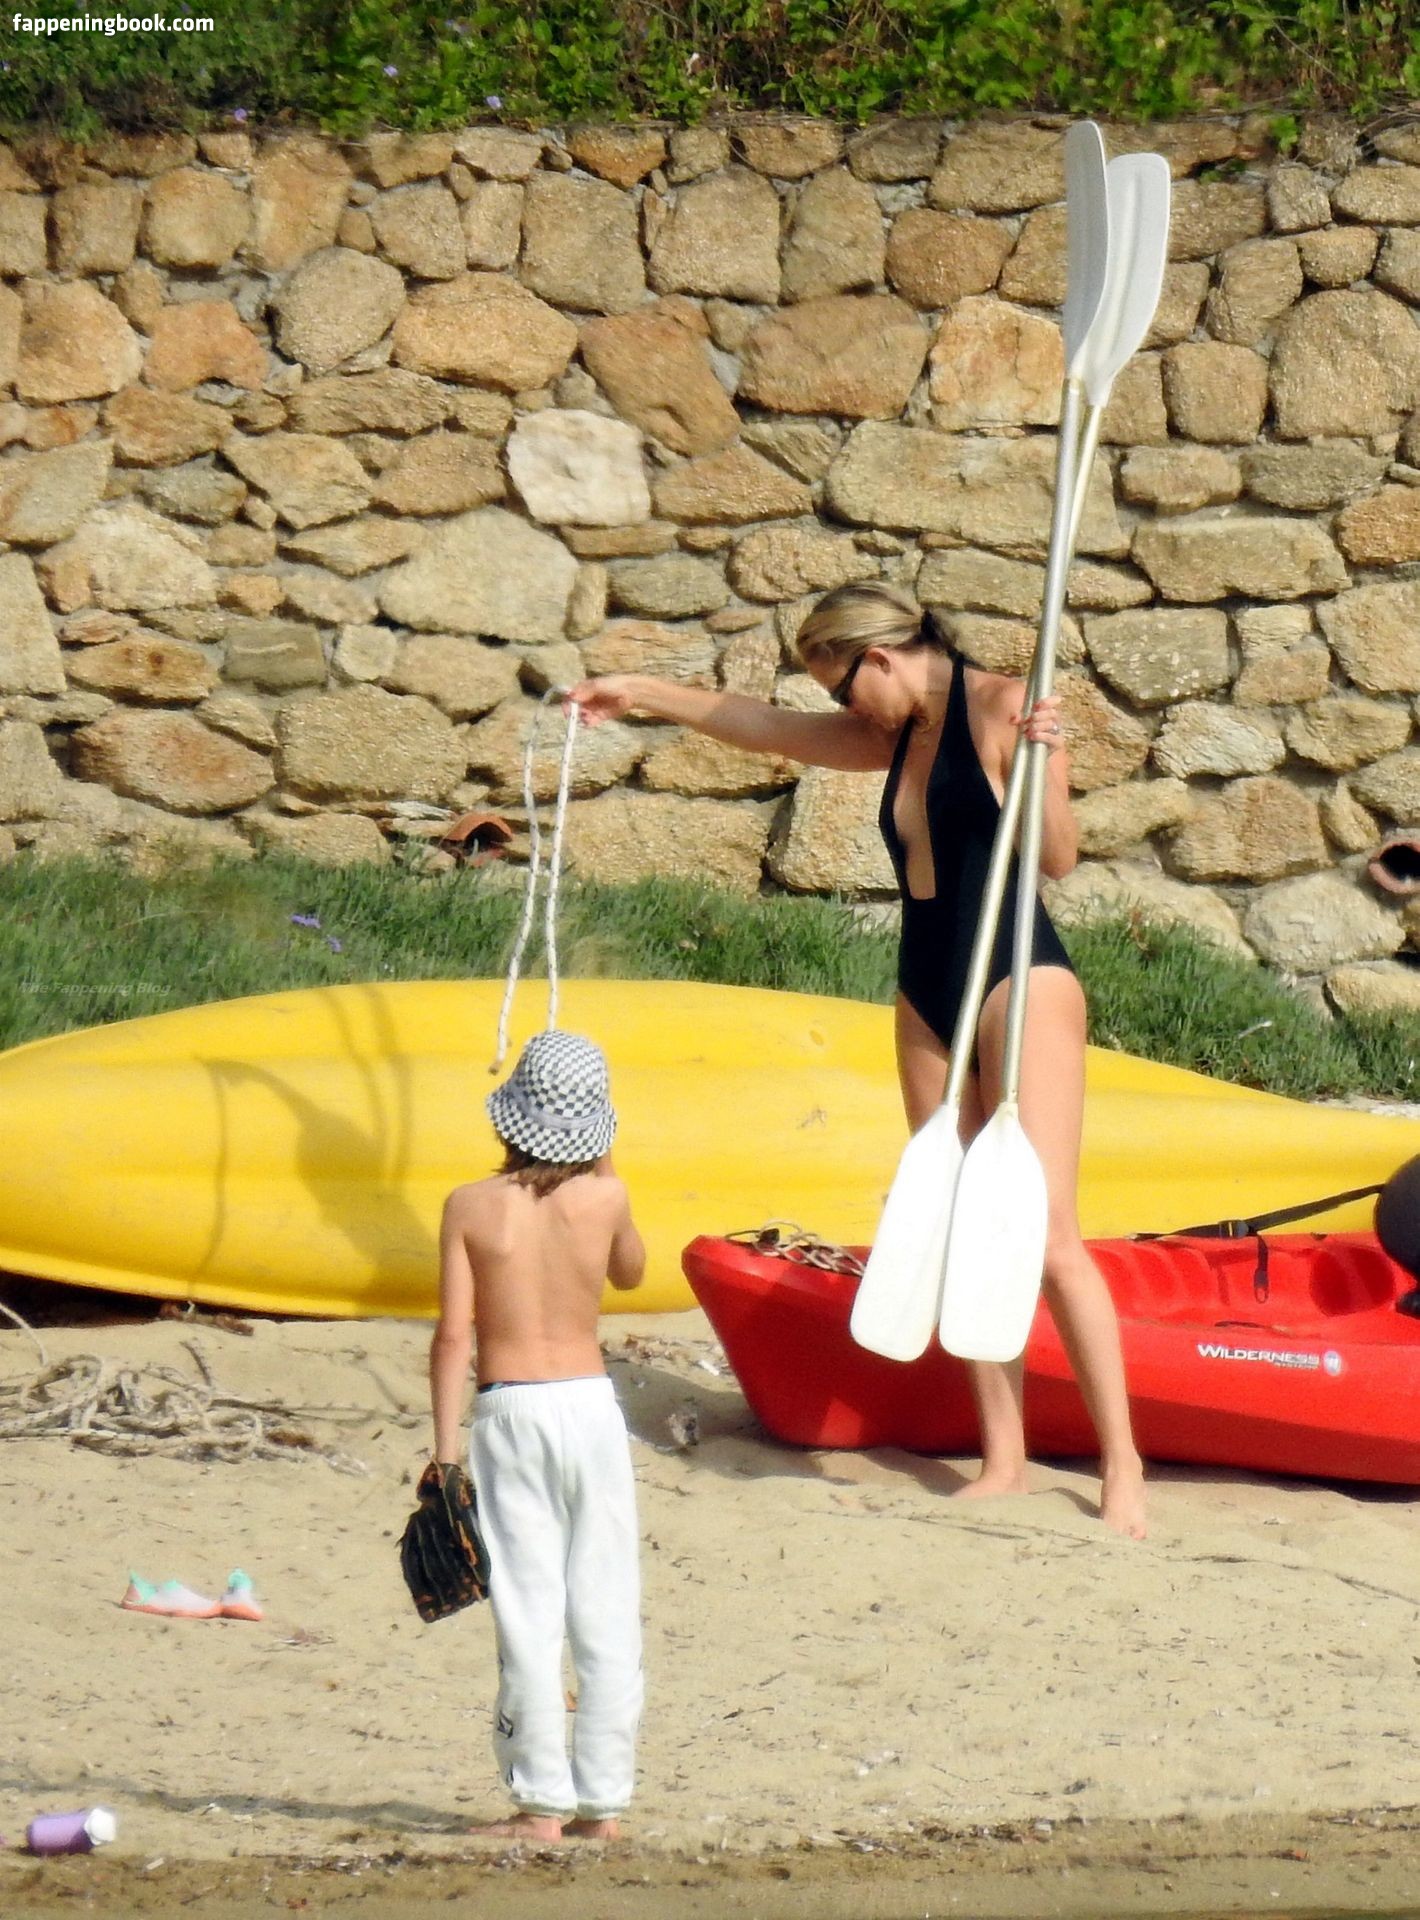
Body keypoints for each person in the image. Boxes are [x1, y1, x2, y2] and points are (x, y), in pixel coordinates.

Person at [568, 580, 1148, 1539]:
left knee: (1046, 1238)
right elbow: (763, 728)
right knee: (956, 1218)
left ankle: (1122, 1462)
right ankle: (1004, 1458)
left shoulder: (1004, 705)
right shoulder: (897, 733)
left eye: (844, 689)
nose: (844, 710)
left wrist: (1044, 765)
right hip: (926, 984)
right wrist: (640, 692)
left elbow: (1056, 859)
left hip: (1019, 979)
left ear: (879, 657)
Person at [429, 1028, 648, 1840]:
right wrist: (604, 1158)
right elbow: (631, 1271)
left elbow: (454, 1336)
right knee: (606, 1600)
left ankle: (541, 1803)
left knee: (529, 1605)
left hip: (511, 1406)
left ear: (511, 1114)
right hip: (590, 1407)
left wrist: (444, 1452)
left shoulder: (470, 1206)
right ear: (597, 1124)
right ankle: (604, 1802)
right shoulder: (606, 1200)